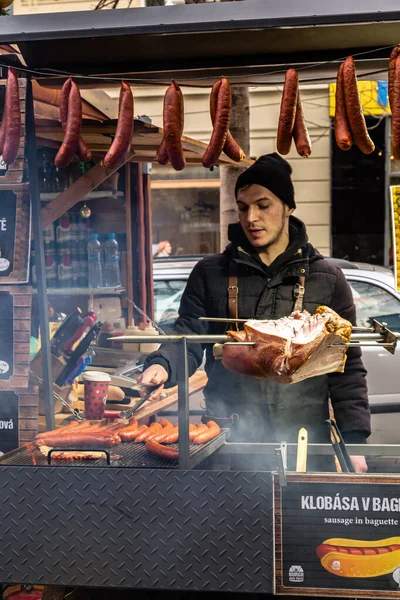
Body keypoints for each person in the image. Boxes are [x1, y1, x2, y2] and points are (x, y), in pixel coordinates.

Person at [139, 153, 370, 473]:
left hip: (304, 445)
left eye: (263, 205)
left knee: (300, 525)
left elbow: (347, 369)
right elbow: (188, 336)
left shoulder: (327, 278)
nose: (251, 217)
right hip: (226, 446)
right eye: (243, 207)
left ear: (288, 207)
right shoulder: (210, 273)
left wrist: (355, 442)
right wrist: (164, 365)